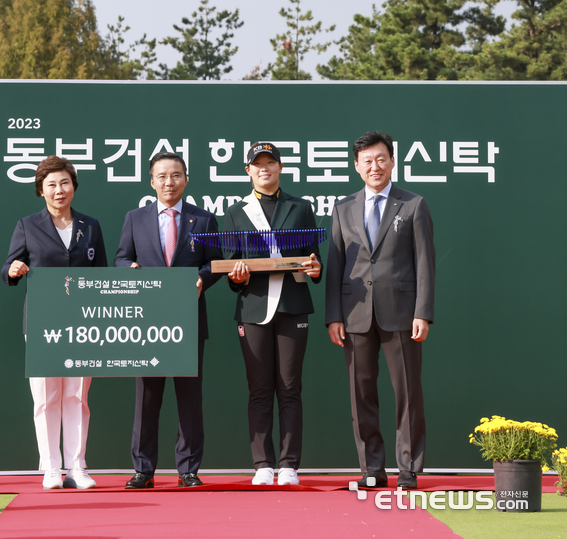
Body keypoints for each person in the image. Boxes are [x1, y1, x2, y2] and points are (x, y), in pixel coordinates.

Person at [325, 131, 435, 490]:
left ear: (392, 161)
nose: (375, 166)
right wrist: (333, 316)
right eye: (367, 161)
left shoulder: (414, 204)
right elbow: (336, 264)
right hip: (354, 314)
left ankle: (408, 468)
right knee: (361, 395)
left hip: (402, 312)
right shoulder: (343, 208)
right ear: (356, 166)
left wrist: (423, 311)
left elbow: (425, 263)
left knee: (407, 392)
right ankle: (372, 468)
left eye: (381, 159)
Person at [115, 151, 222, 489]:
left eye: (175, 175)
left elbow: (215, 263)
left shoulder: (203, 220)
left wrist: (203, 279)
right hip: (147, 321)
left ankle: (188, 469)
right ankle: (143, 469)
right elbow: (121, 257)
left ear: (186, 179)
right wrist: (127, 270)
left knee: (189, 397)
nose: (169, 182)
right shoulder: (135, 218)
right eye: (161, 176)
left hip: (188, 319)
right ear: (152, 181)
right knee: (146, 397)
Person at [2, 155, 107, 489]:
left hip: (83, 321)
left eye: (65, 183)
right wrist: (13, 270)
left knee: (77, 395)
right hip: (42, 322)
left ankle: (78, 467)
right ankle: (51, 467)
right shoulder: (27, 226)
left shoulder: (90, 226)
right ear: (41, 191)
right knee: (46, 397)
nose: (59, 190)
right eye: (51, 185)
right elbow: (8, 268)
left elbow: (101, 276)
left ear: (73, 186)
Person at [224, 142, 322, 486]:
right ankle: (263, 463)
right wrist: (237, 276)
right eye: (257, 164)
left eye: (270, 162)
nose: (264, 169)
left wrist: (314, 268)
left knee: (290, 387)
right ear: (247, 171)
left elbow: (314, 259)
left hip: (293, 305)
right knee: (259, 388)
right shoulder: (237, 211)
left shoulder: (301, 207)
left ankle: (289, 465)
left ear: (280, 167)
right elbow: (231, 266)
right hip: (253, 307)